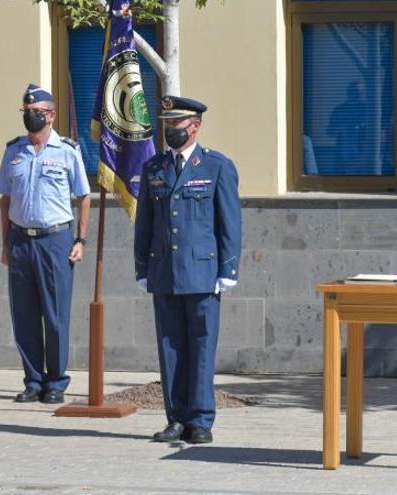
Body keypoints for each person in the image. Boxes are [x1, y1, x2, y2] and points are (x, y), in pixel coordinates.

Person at [134, 96, 241, 443]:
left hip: (202, 273)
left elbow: (229, 223)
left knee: (201, 347)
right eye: (167, 126)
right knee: (171, 348)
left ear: (194, 127)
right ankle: (176, 418)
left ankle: (201, 420)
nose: (170, 132)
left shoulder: (216, 167)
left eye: (176, 126)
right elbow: (145, 224)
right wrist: (142, 267)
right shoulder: (154, 168)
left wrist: (228, 269)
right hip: (164, 271)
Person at [0, 84, 91, 404]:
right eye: (26, 113)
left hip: (55, 240)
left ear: (51, 115)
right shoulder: (14, 151)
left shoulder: (67, 150)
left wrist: (80, 238)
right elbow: (6, 200)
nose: (31, 117)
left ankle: (56, 382)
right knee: (23, 314)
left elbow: (83, 196)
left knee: (55, 315)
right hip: (22, 239)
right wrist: (6, 244)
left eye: (37, 113)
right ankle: (33, 380)